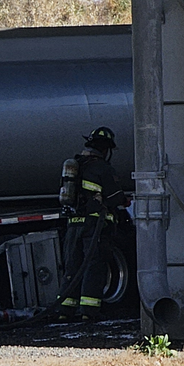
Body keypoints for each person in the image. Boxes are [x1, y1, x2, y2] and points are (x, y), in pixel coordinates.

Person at [59, 126, 126, 322]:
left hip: (73, 224)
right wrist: (123, 200)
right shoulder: (103, 168)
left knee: (72, 266)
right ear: (106, 149)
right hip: (94, 226)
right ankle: (89, 312)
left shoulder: (76, 166)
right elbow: (116, 197)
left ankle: (65, 310)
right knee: (94, 266)